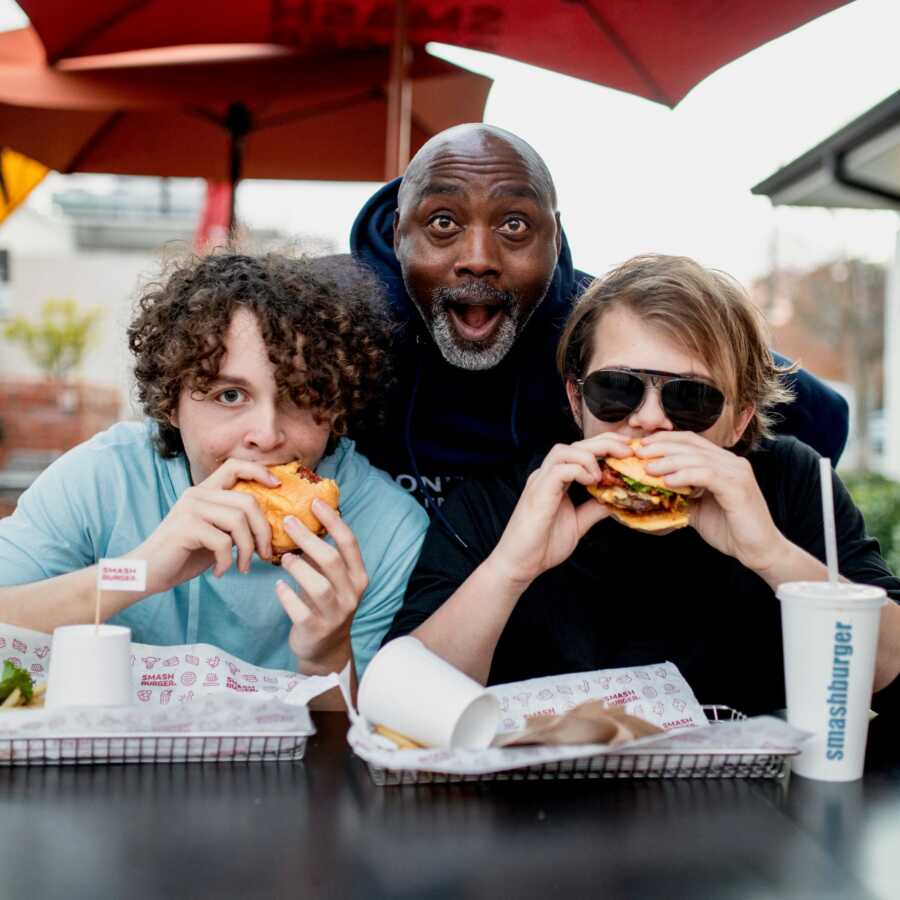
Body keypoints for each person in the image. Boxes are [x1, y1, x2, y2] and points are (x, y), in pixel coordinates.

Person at [384, 255, 900, 715]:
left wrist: (771, 554)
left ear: (740, 420)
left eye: (691, 398)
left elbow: (891, 673)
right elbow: (399, 705)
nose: (649, 420)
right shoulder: (502, 495)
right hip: (537, 813)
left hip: (750, 811)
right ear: (576, 399)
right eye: (617, 389)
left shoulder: (793, 480)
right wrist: (510, 569)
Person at [350, 123, 850, 527]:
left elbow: (821, 420)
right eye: (443, 223)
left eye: (514, 225)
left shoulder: (603, 324)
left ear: (555, 236)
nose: (478, 258)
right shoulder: (339, 324)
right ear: (398, 234)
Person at [0, 252, 429, 682]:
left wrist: (327, 657)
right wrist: (137, 571)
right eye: (230, 395)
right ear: (170, 402)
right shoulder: (102, 478)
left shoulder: (389, 528)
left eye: (302, 395)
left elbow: (366, 735)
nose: (266, 434)